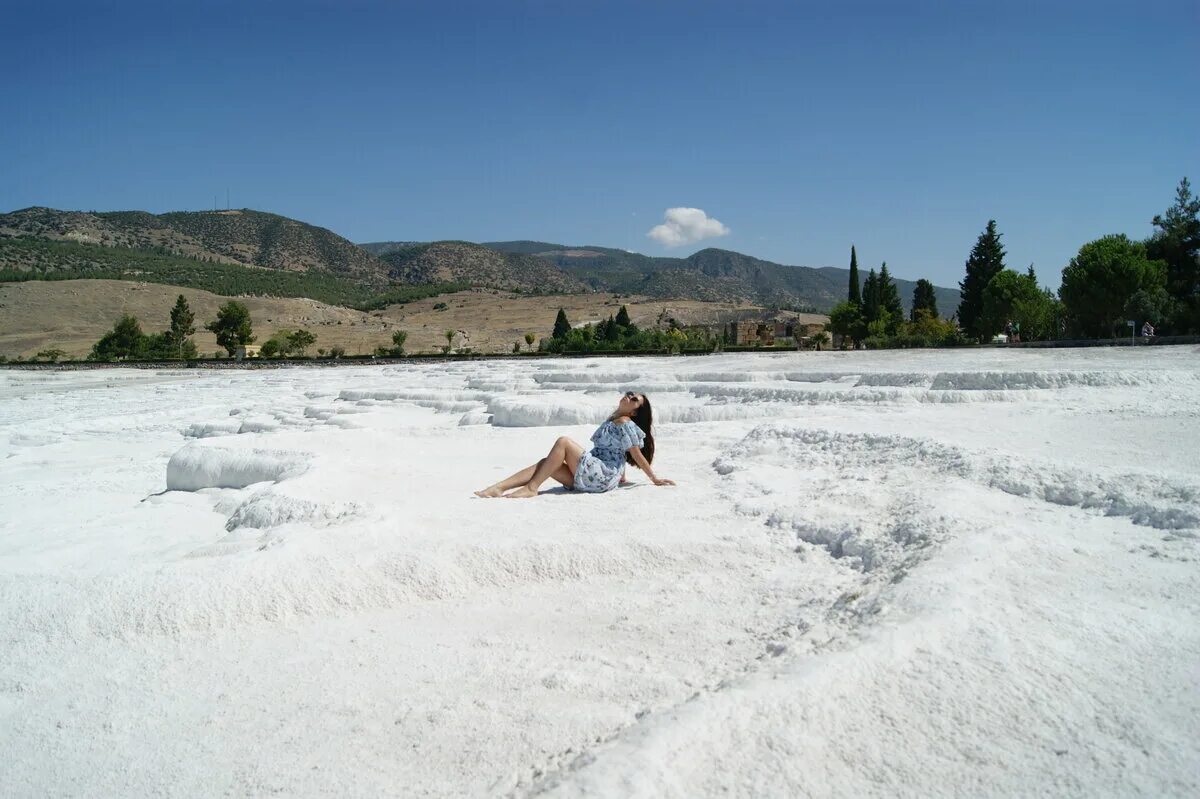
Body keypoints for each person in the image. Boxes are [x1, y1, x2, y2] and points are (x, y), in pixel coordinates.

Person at [475, 391, 675, 498]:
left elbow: (634, 452)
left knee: (563, 442)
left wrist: (654, 478)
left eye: (634, 400)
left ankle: (532, 488)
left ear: (633, 412)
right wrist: (621, 476)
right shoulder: (614, 419)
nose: (629, 396)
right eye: (630, 394)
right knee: (545, 463)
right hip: (597, 475)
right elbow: (620, 450)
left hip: (599, 473)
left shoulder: (625, 422)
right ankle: (498, 488)